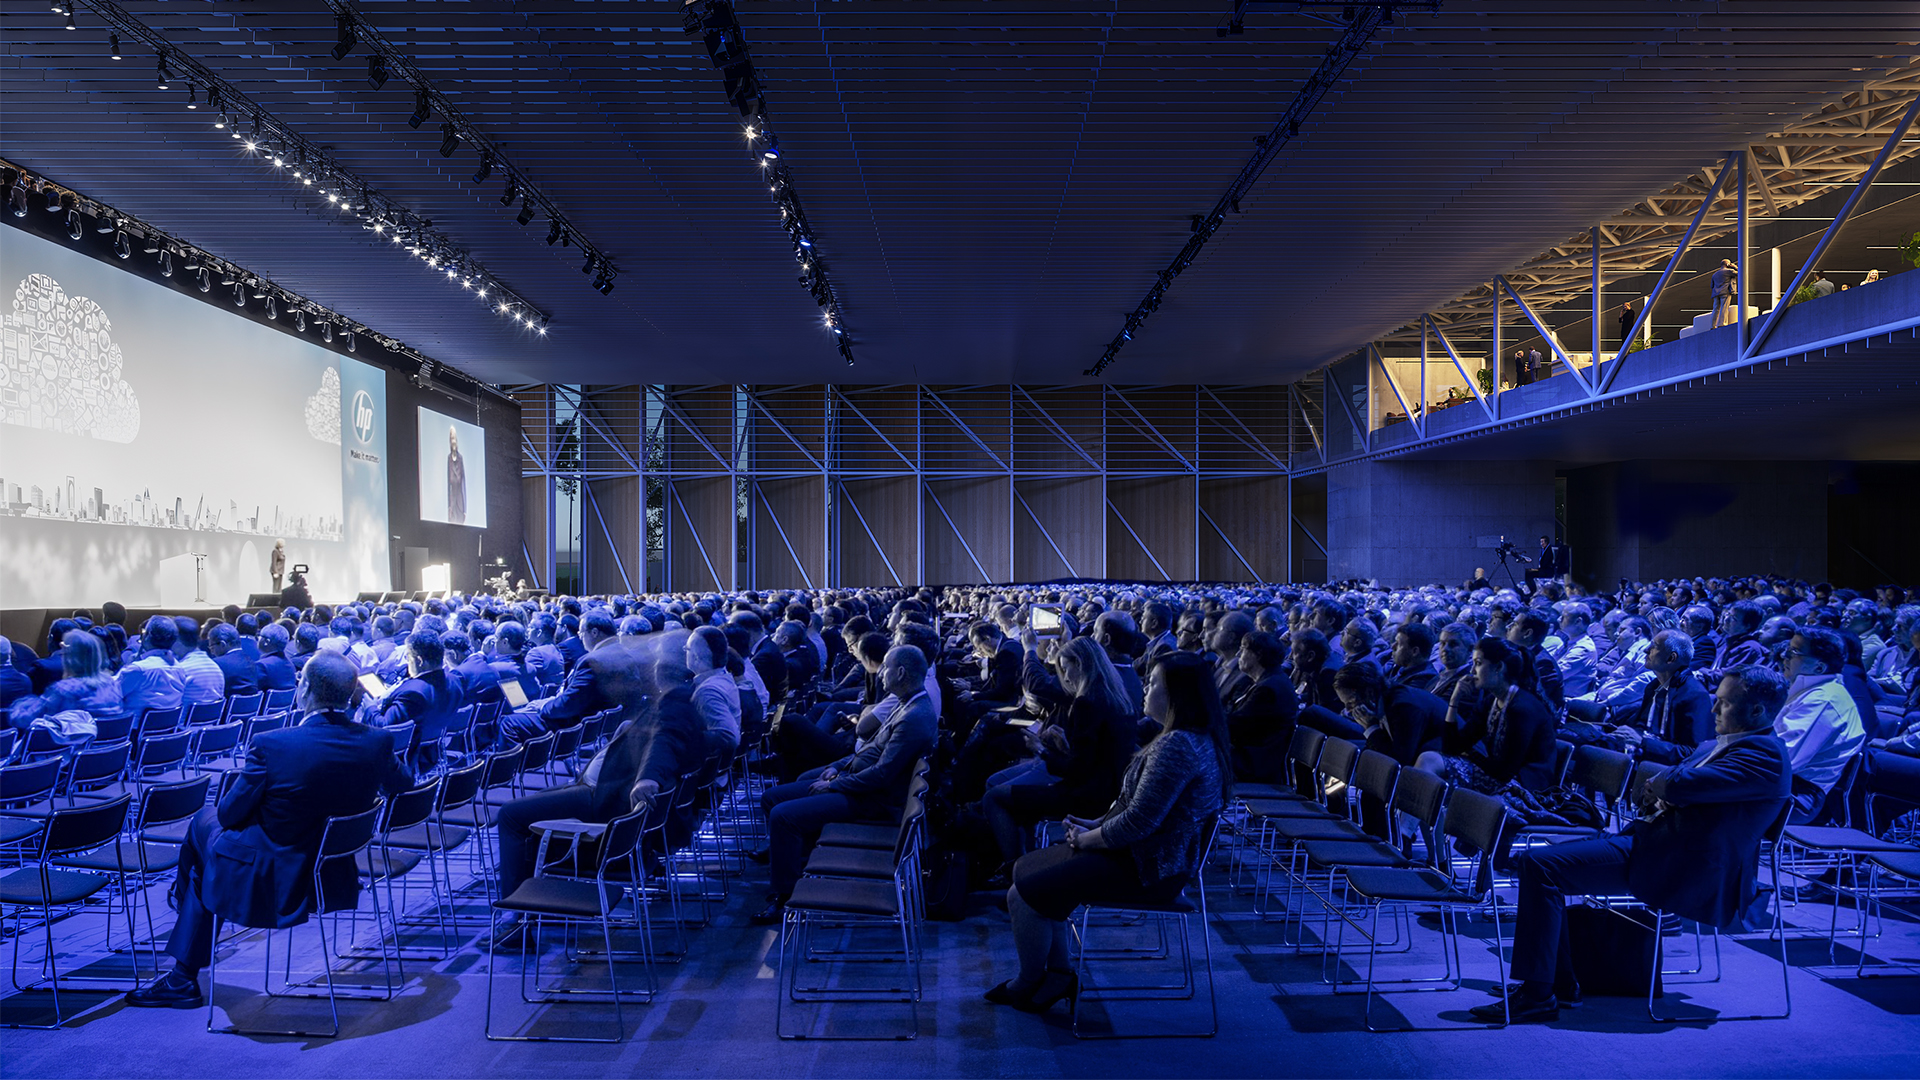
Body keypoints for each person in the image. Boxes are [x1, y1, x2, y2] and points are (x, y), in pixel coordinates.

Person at [1472, 665, 1792, 1023]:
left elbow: (1676, 784)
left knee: (1541, 866)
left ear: (1757, 711)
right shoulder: (1726, 744)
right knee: (1541, 866)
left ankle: (1539, 992)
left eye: (1724, 703)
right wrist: (1669, 785)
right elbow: (1667, 782)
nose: (1714, 710)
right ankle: (1552, 985)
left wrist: (1668, 785)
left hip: (1682, 862)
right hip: (1656, 842)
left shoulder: (1764, 754)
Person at [123, 653, 414, 1008]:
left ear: (304, 689)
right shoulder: (377, 741)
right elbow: (403, 784)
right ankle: (182, 946)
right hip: (332, 866)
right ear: (353, 692)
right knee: (207, 865)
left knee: (204, 825)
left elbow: (230, 815)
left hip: (274, 874)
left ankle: (182, 949)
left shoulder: (272, 744)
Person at [989, 652, 1228, 1014]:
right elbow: (1134, 807)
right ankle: (1056, 975)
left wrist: (1087, 839)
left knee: (1023, 894)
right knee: (1026, 875)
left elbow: (1138, 823)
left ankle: (1029, 982)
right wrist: (1095, 825)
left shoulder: (1179, 746)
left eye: (1153, 684)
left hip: (1149, 869)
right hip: (1145, 856)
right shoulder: (1185, 738)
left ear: (1177, 696)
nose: (1145, 690)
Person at [488, 647, 707, 946]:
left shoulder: (674, 706)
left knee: (511, 815)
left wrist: (647, 777)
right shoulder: (680, 700)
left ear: (658, 671)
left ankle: (514, 923)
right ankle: (534, 902)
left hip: (605, 804)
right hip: (603, 791)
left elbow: (664, 744)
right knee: (536, 804)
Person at [753, 645, 937, 924]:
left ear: (900, 672)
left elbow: (882, 776)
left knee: (783, 816)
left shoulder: (915, 717)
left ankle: (785, 896)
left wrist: (836, 784)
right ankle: (796, 861)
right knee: (773, 797)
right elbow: (869, 750)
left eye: (885, 667)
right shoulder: (906, 702)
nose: (880, 673)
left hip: (874, 800)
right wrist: (834, 767)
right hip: (862, 784)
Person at [980, 636, 1136, 875]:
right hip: (1110, 792)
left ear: (1080, 665)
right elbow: (1094, 756)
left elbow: (1076, 772)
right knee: (1010, 794)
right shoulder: (1117, 698)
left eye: (1065, 668)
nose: (1065, 676)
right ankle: (1025, 863)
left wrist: (1040, 750)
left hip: (1086, 797)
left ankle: (1015, 871)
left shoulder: (1086, 703)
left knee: (994, 798)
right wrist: (1063, 744)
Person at [1418, 636, 1558, 793]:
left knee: (1432, 762)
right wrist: (1454, 700)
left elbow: (1504, 771)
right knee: (1429, 758)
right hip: (1498, 775)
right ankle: (1416, 814)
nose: (1472, 672)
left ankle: (1421, 814)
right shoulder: (1491, 701)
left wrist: (1470, 754)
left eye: (1478, 664)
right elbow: (1452, 747)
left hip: (1525, 787)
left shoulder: (1522, 709)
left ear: (1498, 667)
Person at [1776, 627, 1867, 822]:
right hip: (1782, 784)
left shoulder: (1823, 700)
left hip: (1797, 796)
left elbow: (1783, 760)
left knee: (1706, 792)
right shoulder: (1811, 689)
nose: (1784, 656)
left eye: (1794, 652)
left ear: (1819, 668)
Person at [1624, 629, 1715, 765]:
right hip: (1642, 760)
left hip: (1664, 773)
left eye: (1654, 646)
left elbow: (1694, 753)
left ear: (1671, 658)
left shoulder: (1695, 695)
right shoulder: (1653, 687)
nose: (1646, 650)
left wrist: (1643, 743)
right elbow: (1640, 728)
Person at [373, 631, 461, 772]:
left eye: (408, 657)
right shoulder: (455, 681)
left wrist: (370, 707)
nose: (407, 662)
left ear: (419, 661)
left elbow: (384, 727)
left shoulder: (413, 692)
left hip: (406, 758)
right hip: (432, 750)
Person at [8, 631, 126, 733]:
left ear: (71, 659)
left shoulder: (64, 690)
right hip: (101, 753)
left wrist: (21, 703)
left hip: (66, 755)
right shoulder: (112, 685)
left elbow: (21, 719)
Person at [116, 616, 184, 721]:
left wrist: (128, 665)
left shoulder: (139, 669)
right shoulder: (180, 668)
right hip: (169, 731)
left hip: (134, 732)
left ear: (146, 636)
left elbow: (112, 693)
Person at [206, 624, 259, 698]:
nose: (212, 652)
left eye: (212, 647)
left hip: (225, 708)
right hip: (252, 707)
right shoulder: (251, 661)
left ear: (222, 644)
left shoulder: (217, 664)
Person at [255, 624, 298, 692]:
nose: (257, 639)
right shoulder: (290, 664)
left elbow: (251, 691)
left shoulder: (262, 665)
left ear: (266, 641)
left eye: (260, 636)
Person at [447, 427, 468, 526]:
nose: (453, 441)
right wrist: (448, 506)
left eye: (454, 438)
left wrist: (465, 509)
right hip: (452, 500)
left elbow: (463, 483)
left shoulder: (460, 458)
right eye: (451, 438)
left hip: (460, 500)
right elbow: (448, 483)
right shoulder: (448, 458)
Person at [1709, 258, 1738, 328]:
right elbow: (1741, 272)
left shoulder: (1715, 274)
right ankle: (1722, 323)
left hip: (1716, 293)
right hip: (1725, 292)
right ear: (1728, 264)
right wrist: (1734, 267)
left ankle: (1712, 325)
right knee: (1724, 307)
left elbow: (1711, 286)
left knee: (1715, 309)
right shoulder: (1729, 271)